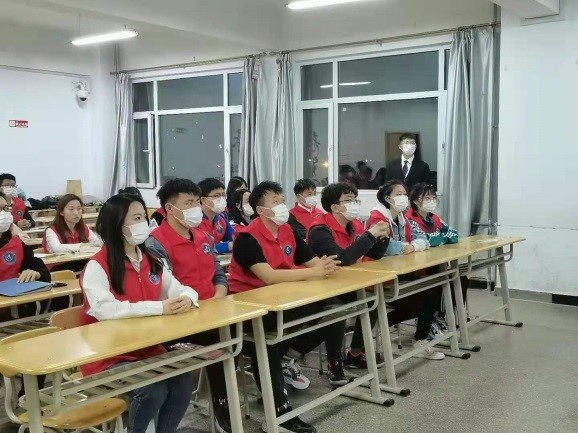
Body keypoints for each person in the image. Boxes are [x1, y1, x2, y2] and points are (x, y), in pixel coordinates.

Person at [228, 181, 345, 433]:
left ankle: (294, 358)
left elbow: (313, 262)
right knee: (267, 342)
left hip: (283, 300)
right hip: (250, 308)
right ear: (261, 210)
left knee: (334, 309)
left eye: (282, 200)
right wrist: (314, 272)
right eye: (275, 202)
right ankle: (279, 412)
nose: (282, 206)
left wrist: (324, 267)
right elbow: (269, 276)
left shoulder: (287, 231)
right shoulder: (246, 238)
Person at [79, 193, 196, 433]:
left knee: (183, 379)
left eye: (144, 217)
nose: (144, 223)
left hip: (146, 348)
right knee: (152, 390)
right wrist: (159, 308)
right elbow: (106, 309)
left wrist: (187, 298)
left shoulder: (151, 261)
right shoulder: (98, 266)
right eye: (136, 218)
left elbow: (181, 288)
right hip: (108, 355)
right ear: (117, 224)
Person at [144, 178, 232, 432]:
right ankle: (222, 402)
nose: (195, 208)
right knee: (223, 340)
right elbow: (166, 289)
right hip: (179, 320)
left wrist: (219, 296)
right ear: (170, 209)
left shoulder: (203, 235)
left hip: (212, 310)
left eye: (196, 202)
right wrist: (200, 307)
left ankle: (224, 398)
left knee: (241, 333)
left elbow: (217, 271)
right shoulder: (155, 243)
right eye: (188, 203)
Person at [308, 183, 390, 369]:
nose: (355, 204)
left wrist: (382, 237)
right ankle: (334, 362)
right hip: (322, 286)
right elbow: (343, 259)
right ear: (335, 207)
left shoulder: (354, 225)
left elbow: (374, 254)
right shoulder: (319, 230)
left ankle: (354, 353)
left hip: (347, 282)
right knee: (337, 310)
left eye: (355, 200)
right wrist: (370, 235)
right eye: (348, 200)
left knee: (374, 300)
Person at [365, 180, 445, 360]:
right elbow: (385, 247)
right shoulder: (378, 218)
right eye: (398, 194)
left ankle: (420, 339)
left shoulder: (403, 218)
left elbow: (422, 238)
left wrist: (414, 246)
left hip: (401, 271)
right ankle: (382, 326)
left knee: (433, 286)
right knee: (425, 295)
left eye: (404, 194)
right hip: (380, 276)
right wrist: (405, 247)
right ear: (388, 198)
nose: (403, 197)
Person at [407, 182, 459, 337]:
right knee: (437, 282)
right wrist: (439, 238)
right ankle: (426, 323)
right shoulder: (409, 218)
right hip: (417, 266)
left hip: (434, 262)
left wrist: (437, 238)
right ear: (416, 200)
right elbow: (425, 240)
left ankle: (439, 316)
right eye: (427, 198)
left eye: (433, 197)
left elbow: (454, 235)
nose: (431, 201)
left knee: (458, 279)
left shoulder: (434, 218)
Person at [0, 191, 50, 284]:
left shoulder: (16, 243)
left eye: (5, 209)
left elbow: (43, 272)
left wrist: (36, 273)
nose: (3, 214)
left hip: (13, 292)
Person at [198, 178, 235, 255]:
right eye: (216, 196)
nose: (221, 199)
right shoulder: (194, 221)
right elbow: (199, 249)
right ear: (203, 200)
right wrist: (227, 246)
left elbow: (234, 239)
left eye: (223, 195)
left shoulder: (221, 219)